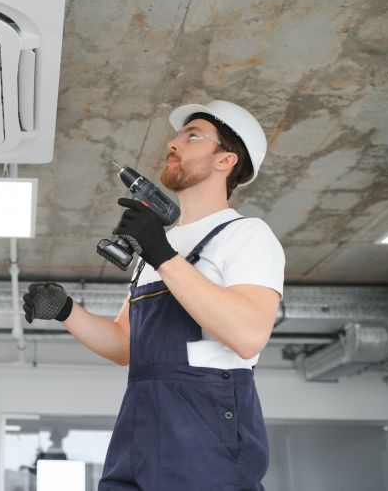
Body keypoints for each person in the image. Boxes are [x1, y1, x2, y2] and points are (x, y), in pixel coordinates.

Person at [22, 100, 285, 490]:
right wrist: (66, 310)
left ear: (225, 160)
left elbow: (248, 336)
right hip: (140, 421)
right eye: (177, 136)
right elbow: (125, 345)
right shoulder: (158, 248)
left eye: (192, 136)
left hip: (205, 424)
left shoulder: (246, 235)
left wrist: (161, 254)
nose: (172, 143)